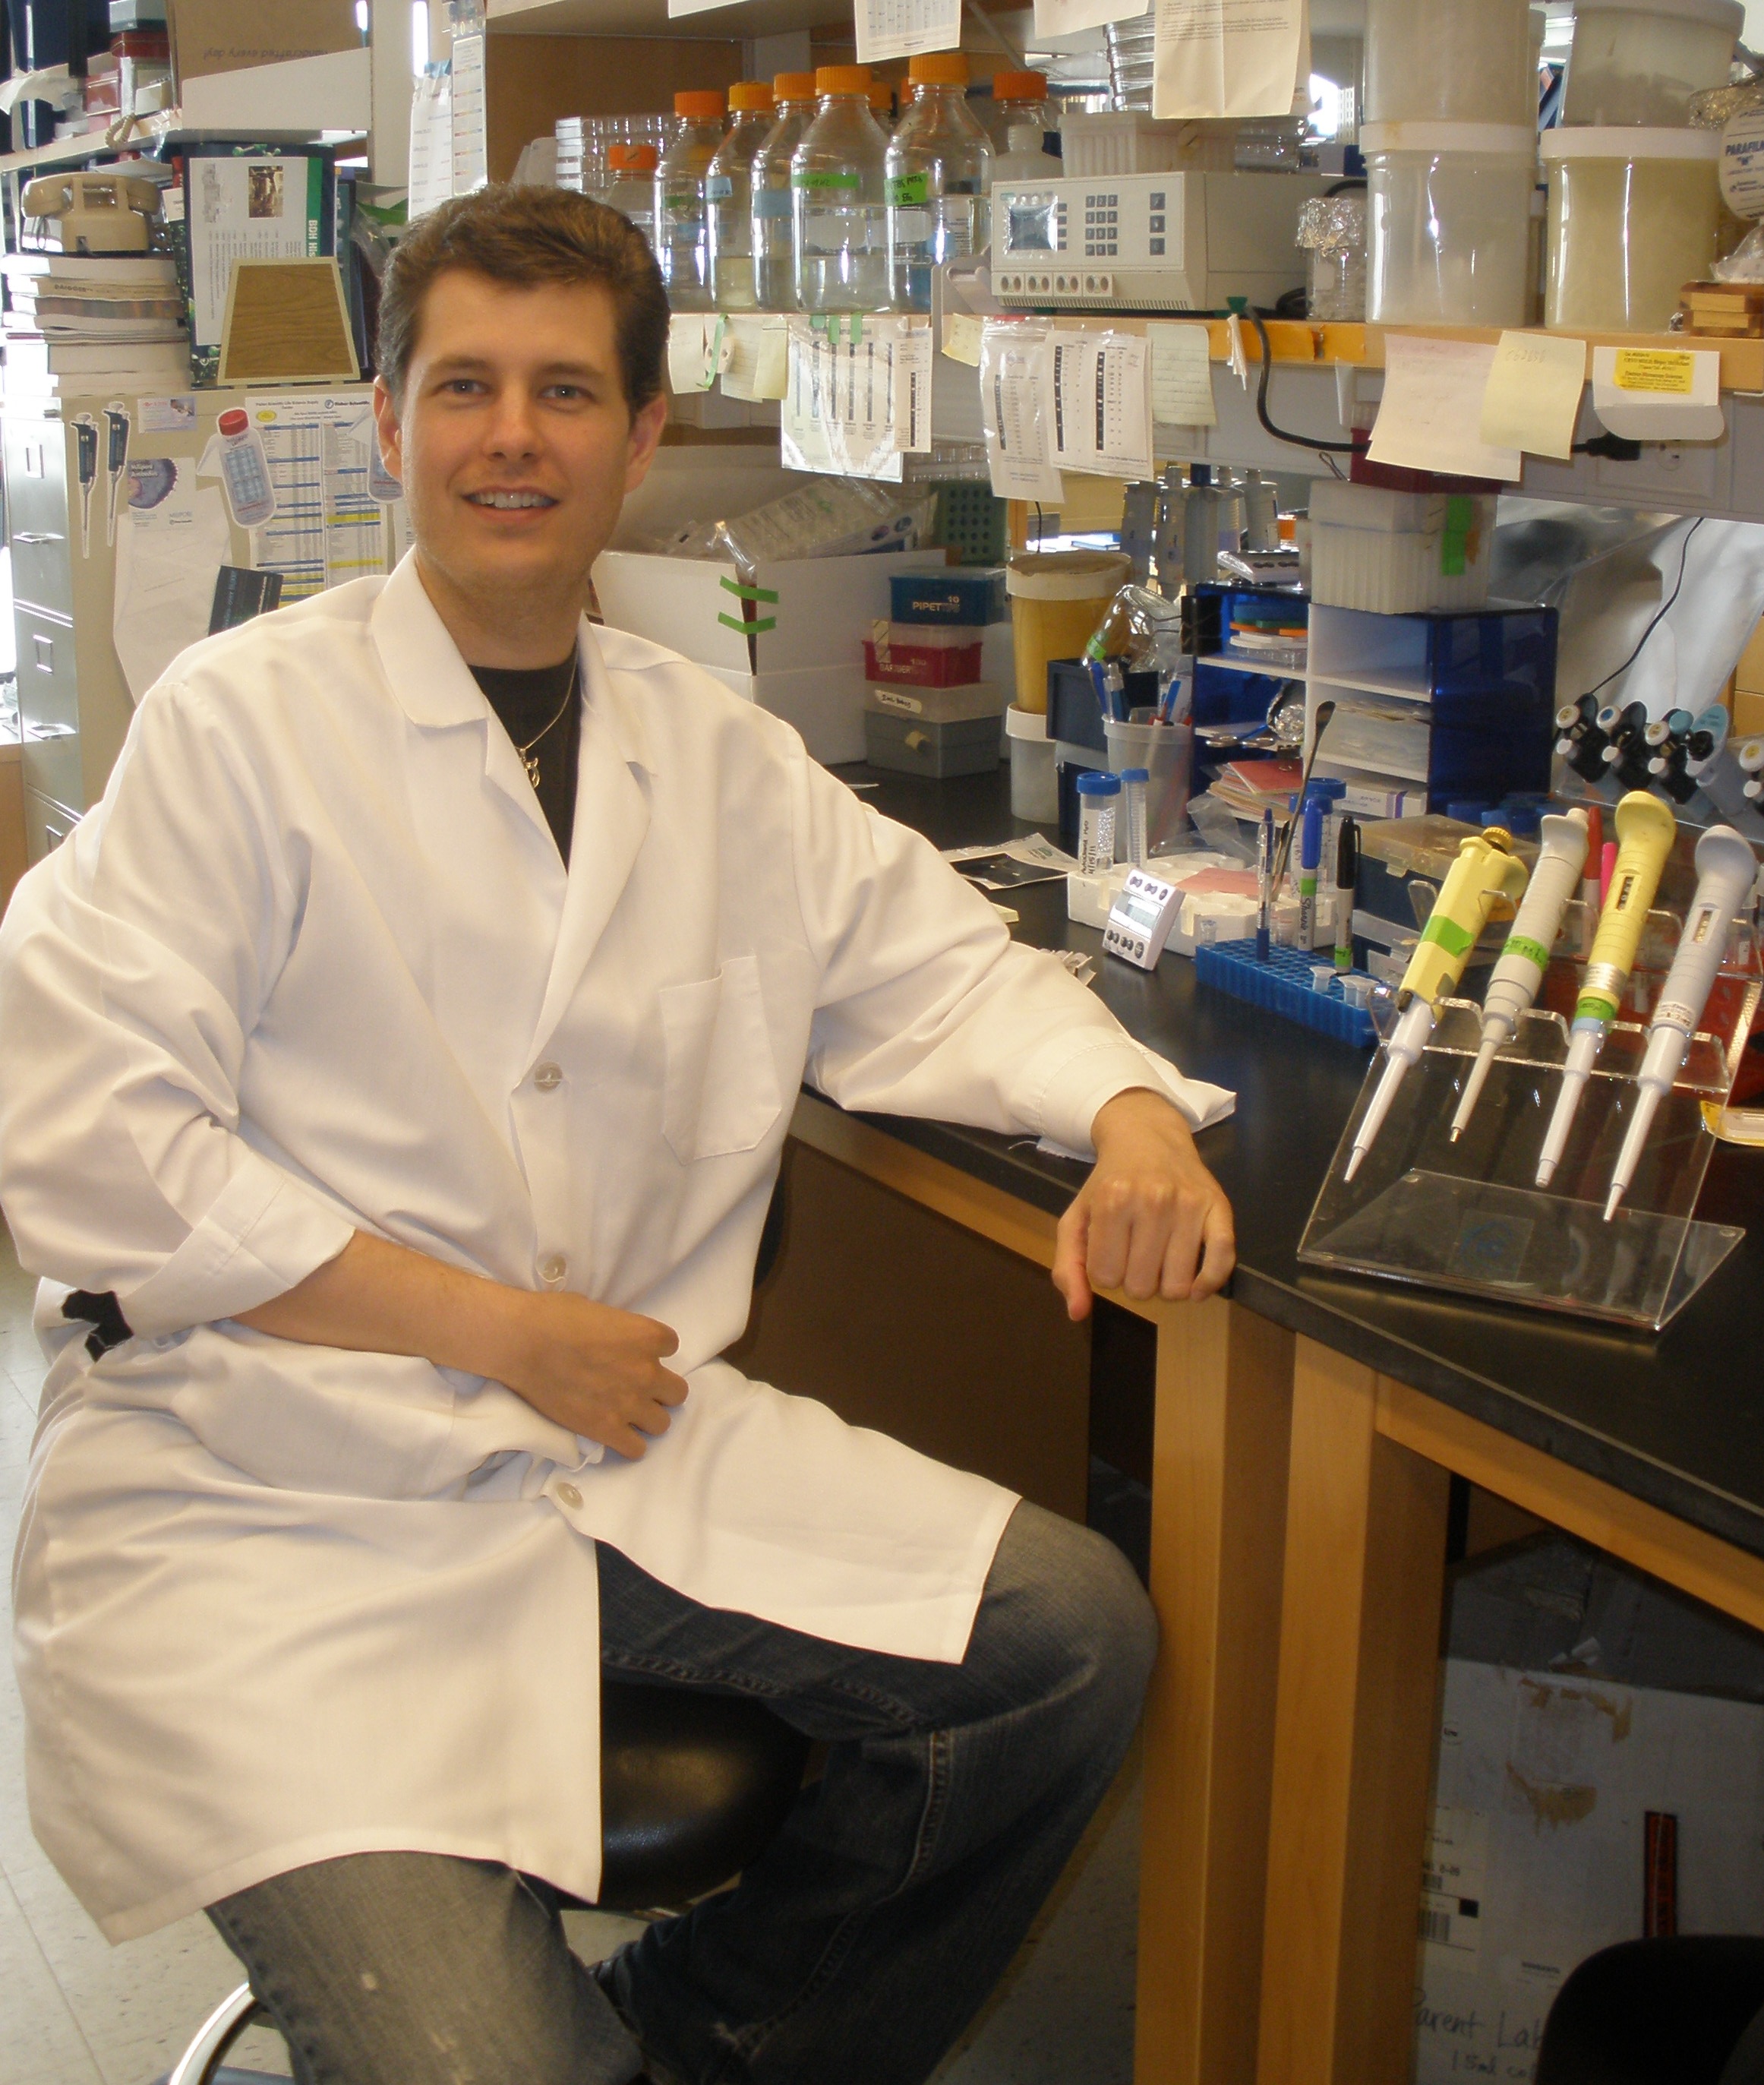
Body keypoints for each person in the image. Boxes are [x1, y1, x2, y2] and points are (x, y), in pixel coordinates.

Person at [0, 185, 1235, 2085]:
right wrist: (490, 1327)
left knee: (1068, 1644)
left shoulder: (717, 751)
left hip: (607, 1451)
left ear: (641, 435)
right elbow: (94, 1153)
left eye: (566, 391)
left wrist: (1130, 1112)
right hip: (262, 1492)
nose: (513, 437)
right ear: (392, 417)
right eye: (466, 386)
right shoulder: (235, 729)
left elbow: (938, 970)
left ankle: (699, 2041)